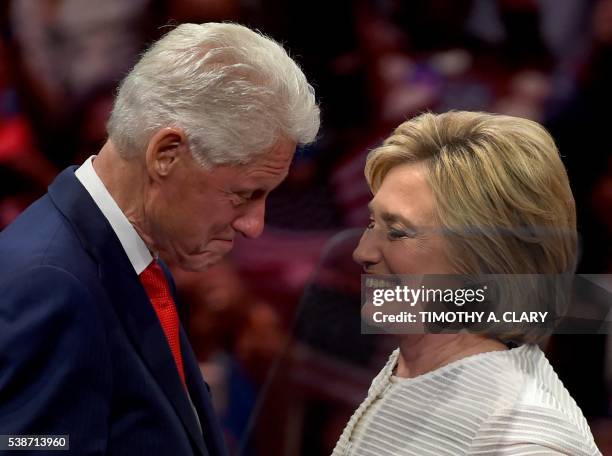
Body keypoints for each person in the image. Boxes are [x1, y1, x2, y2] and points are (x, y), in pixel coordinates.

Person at [0, 22, 319, 455]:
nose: (254, 225)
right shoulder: (52, 285)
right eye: (244, 195)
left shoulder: (133, 258)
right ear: (166, 155)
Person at [332, 111, 602, 455]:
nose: (362, 252)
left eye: (397, 232)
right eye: (372, 224)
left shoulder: (525, 440)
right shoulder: (414, 366)